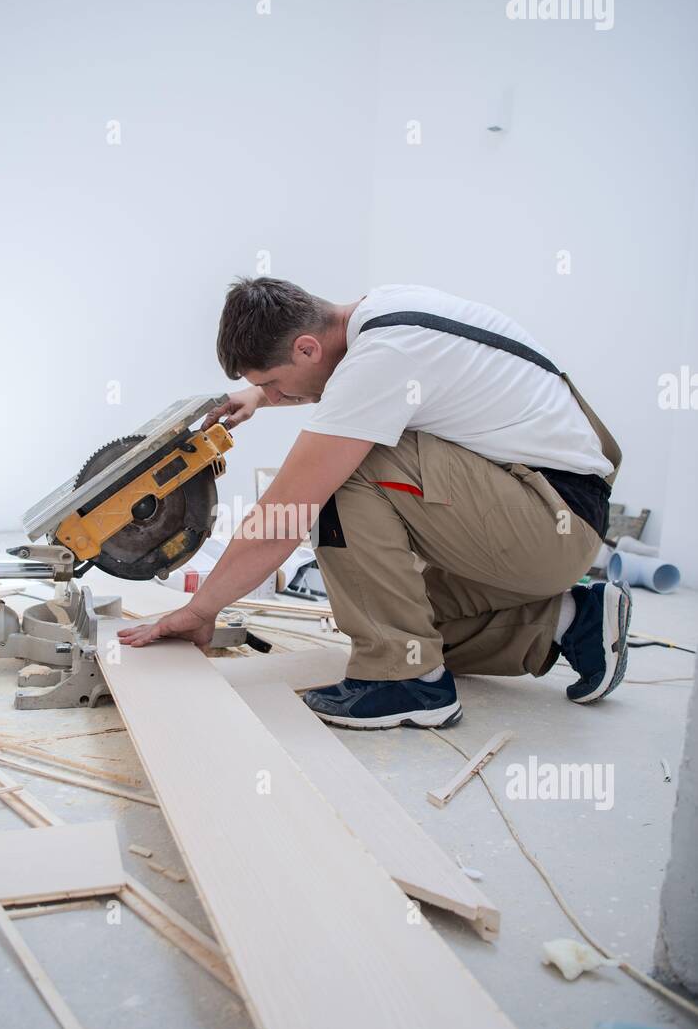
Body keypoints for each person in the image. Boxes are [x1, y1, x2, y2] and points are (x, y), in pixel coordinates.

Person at [117, 277, 631, 730]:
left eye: (271, 383)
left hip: (549, 522)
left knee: (344, 470)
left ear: (305, 348)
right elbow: (341, 380)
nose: (273, 395)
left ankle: (408, 684)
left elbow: (284, 517)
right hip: (548, 510)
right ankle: (569, 621)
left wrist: (200, 609)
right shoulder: (381, 313)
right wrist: (259, 396)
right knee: (395, 619)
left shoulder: (385, 357)